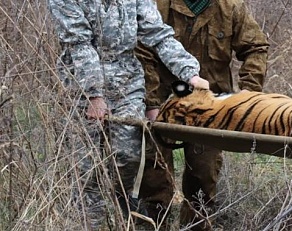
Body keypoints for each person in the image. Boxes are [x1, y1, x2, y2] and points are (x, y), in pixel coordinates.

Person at [48, 0, 209, 229]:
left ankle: (121, 209)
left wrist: (190, 73)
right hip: (81, 85)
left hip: (126, 83)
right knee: (87, 167)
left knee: (127, 156)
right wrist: (93, 94)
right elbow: (78, 43)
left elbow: (158, 35)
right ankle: (89, 221)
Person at [135, 0, 269, 230]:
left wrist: (247, 96)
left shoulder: (231, 7)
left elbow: (255, 47)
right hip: (163, 101)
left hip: (210, 106)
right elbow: (143, 50)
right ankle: (155, 225)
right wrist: (151, 103)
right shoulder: (158, 4)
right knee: (154, 178)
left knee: (203, 182)